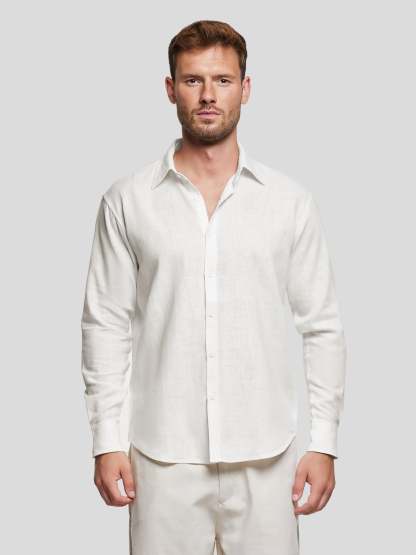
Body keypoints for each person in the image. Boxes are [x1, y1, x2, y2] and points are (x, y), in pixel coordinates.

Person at [80, 19, 347, 555]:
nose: (208, 95)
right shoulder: (127, 201)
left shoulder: (289, 202)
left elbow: (321, 326)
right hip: (162, 459)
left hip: (266, 457)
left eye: (222, 80)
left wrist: (324, 443)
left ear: (245, 89)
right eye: (193, 80)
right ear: (170, 88)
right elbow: (105, 323)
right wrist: (106, 440)